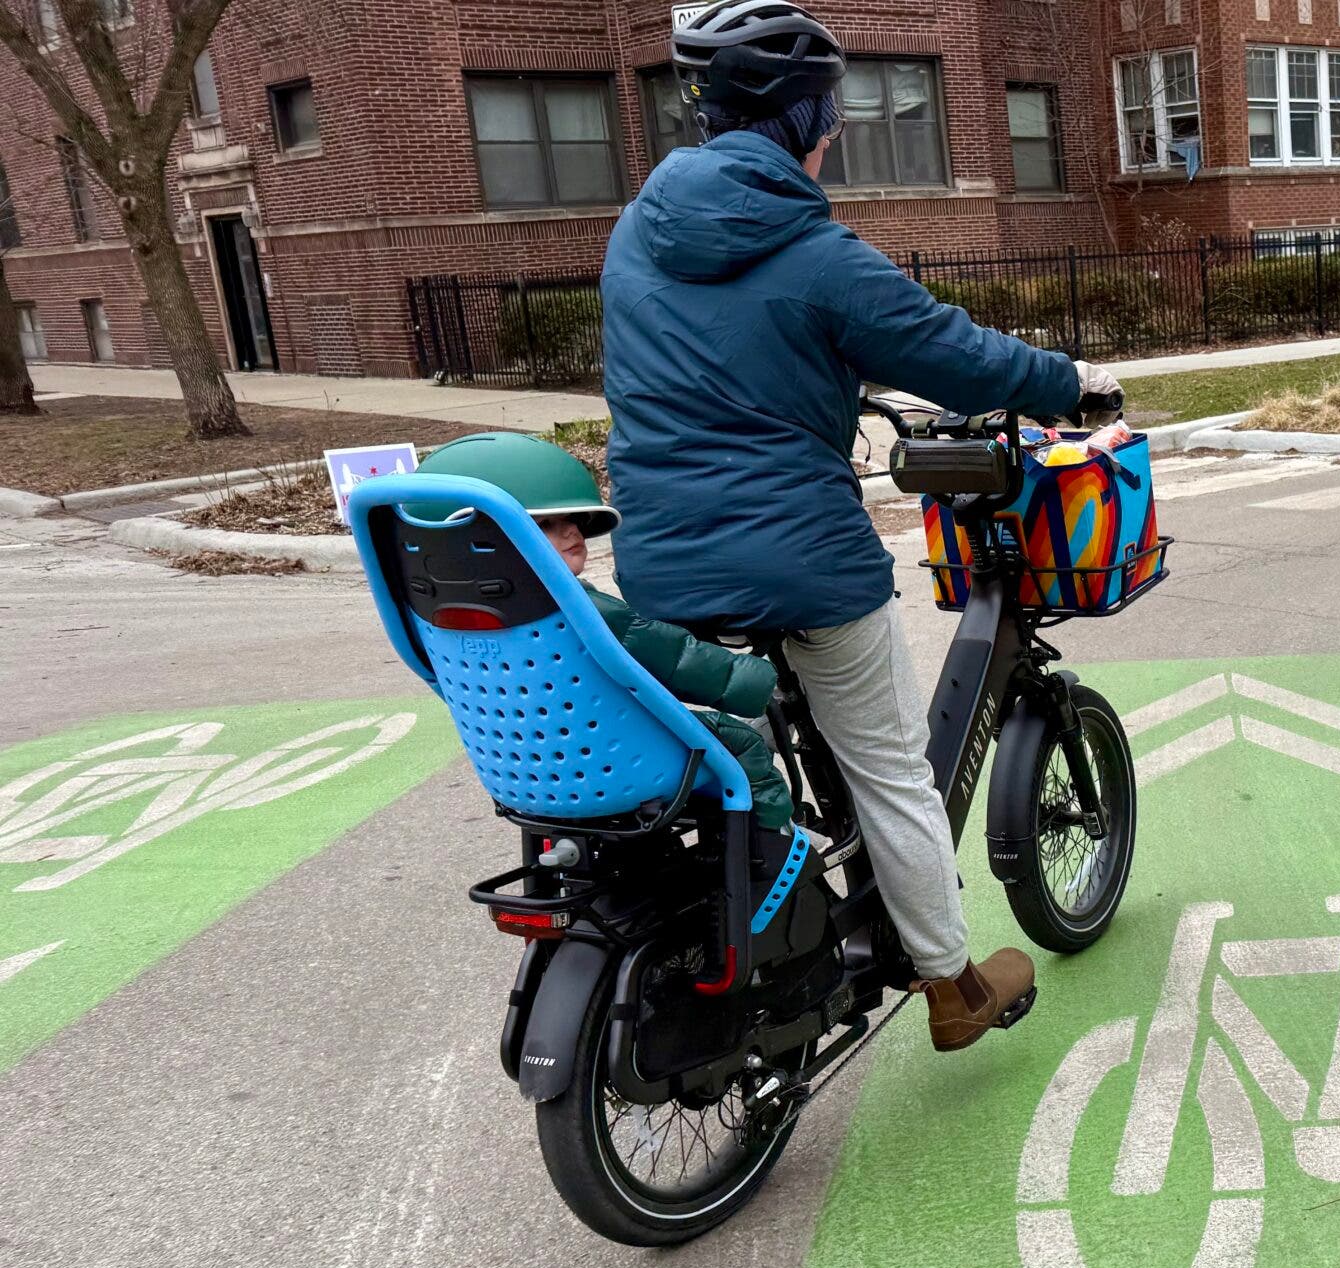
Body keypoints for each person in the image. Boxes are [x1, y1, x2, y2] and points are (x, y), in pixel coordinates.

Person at [601, 0, 1120, 1053]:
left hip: (659, 562)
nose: (833, 130)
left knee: (738, 744)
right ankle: (951, 984)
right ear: (800, 117)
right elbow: (956, 356)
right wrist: (1073, 383)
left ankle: (766, 894)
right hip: (801, 561)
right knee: (889, 768)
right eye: (828, 110)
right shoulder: (815, 254)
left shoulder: (635, 235)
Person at [417, 434, 800, 861]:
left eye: (573, 519)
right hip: (613, 759)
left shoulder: (433, 620)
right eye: (544, 525)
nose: (571, 531)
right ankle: (771, 851)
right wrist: (756, 680)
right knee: (739, 743)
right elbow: (679, 660)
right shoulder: (584, 610)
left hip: (521, 769)